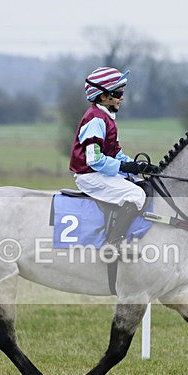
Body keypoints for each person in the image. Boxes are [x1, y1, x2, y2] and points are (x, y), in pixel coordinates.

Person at [69, 67, 158, 251]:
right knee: (135, 195)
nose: (122, 97)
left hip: (99, 172)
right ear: (103, 96)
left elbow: (116, 154)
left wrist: (136, 165)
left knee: (140, 183)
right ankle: (112, 243)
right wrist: (124, 166)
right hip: (89, 175)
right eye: (118, 92)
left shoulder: (107, 118)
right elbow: (94, 160)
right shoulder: (95, 119)